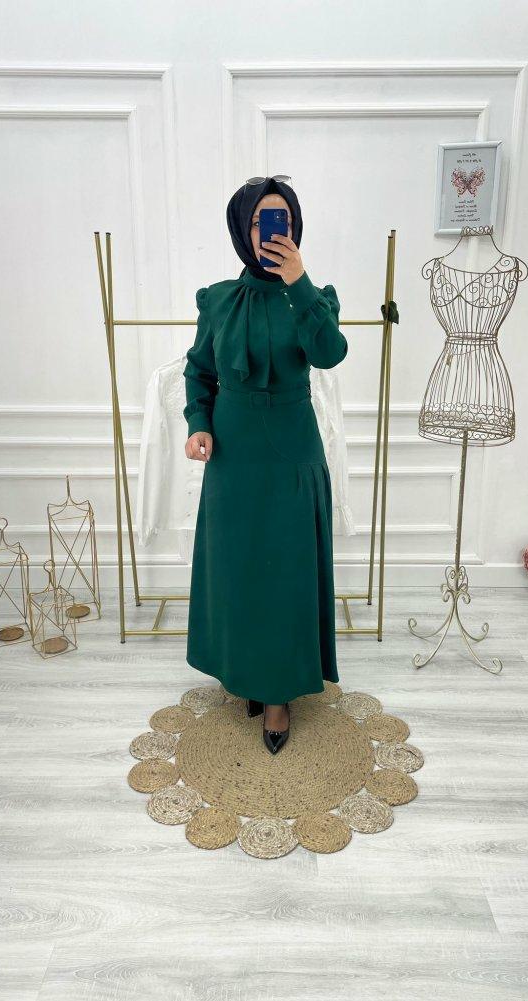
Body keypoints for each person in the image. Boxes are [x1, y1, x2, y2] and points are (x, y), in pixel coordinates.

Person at [182, 176, 348, 754]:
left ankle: (277, 697)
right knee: (239, 569)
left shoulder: (315, 296)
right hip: (233, 456)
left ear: (295, 228)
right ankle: (247, 673)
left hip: (291, 453)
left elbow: (329, 353)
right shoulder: (217, 299)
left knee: (285, 573)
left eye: (281, 220)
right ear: (241, 229)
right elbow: (199, 371)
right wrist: (198, 423)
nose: (270, 231)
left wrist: (299, 282)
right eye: (259, 221)